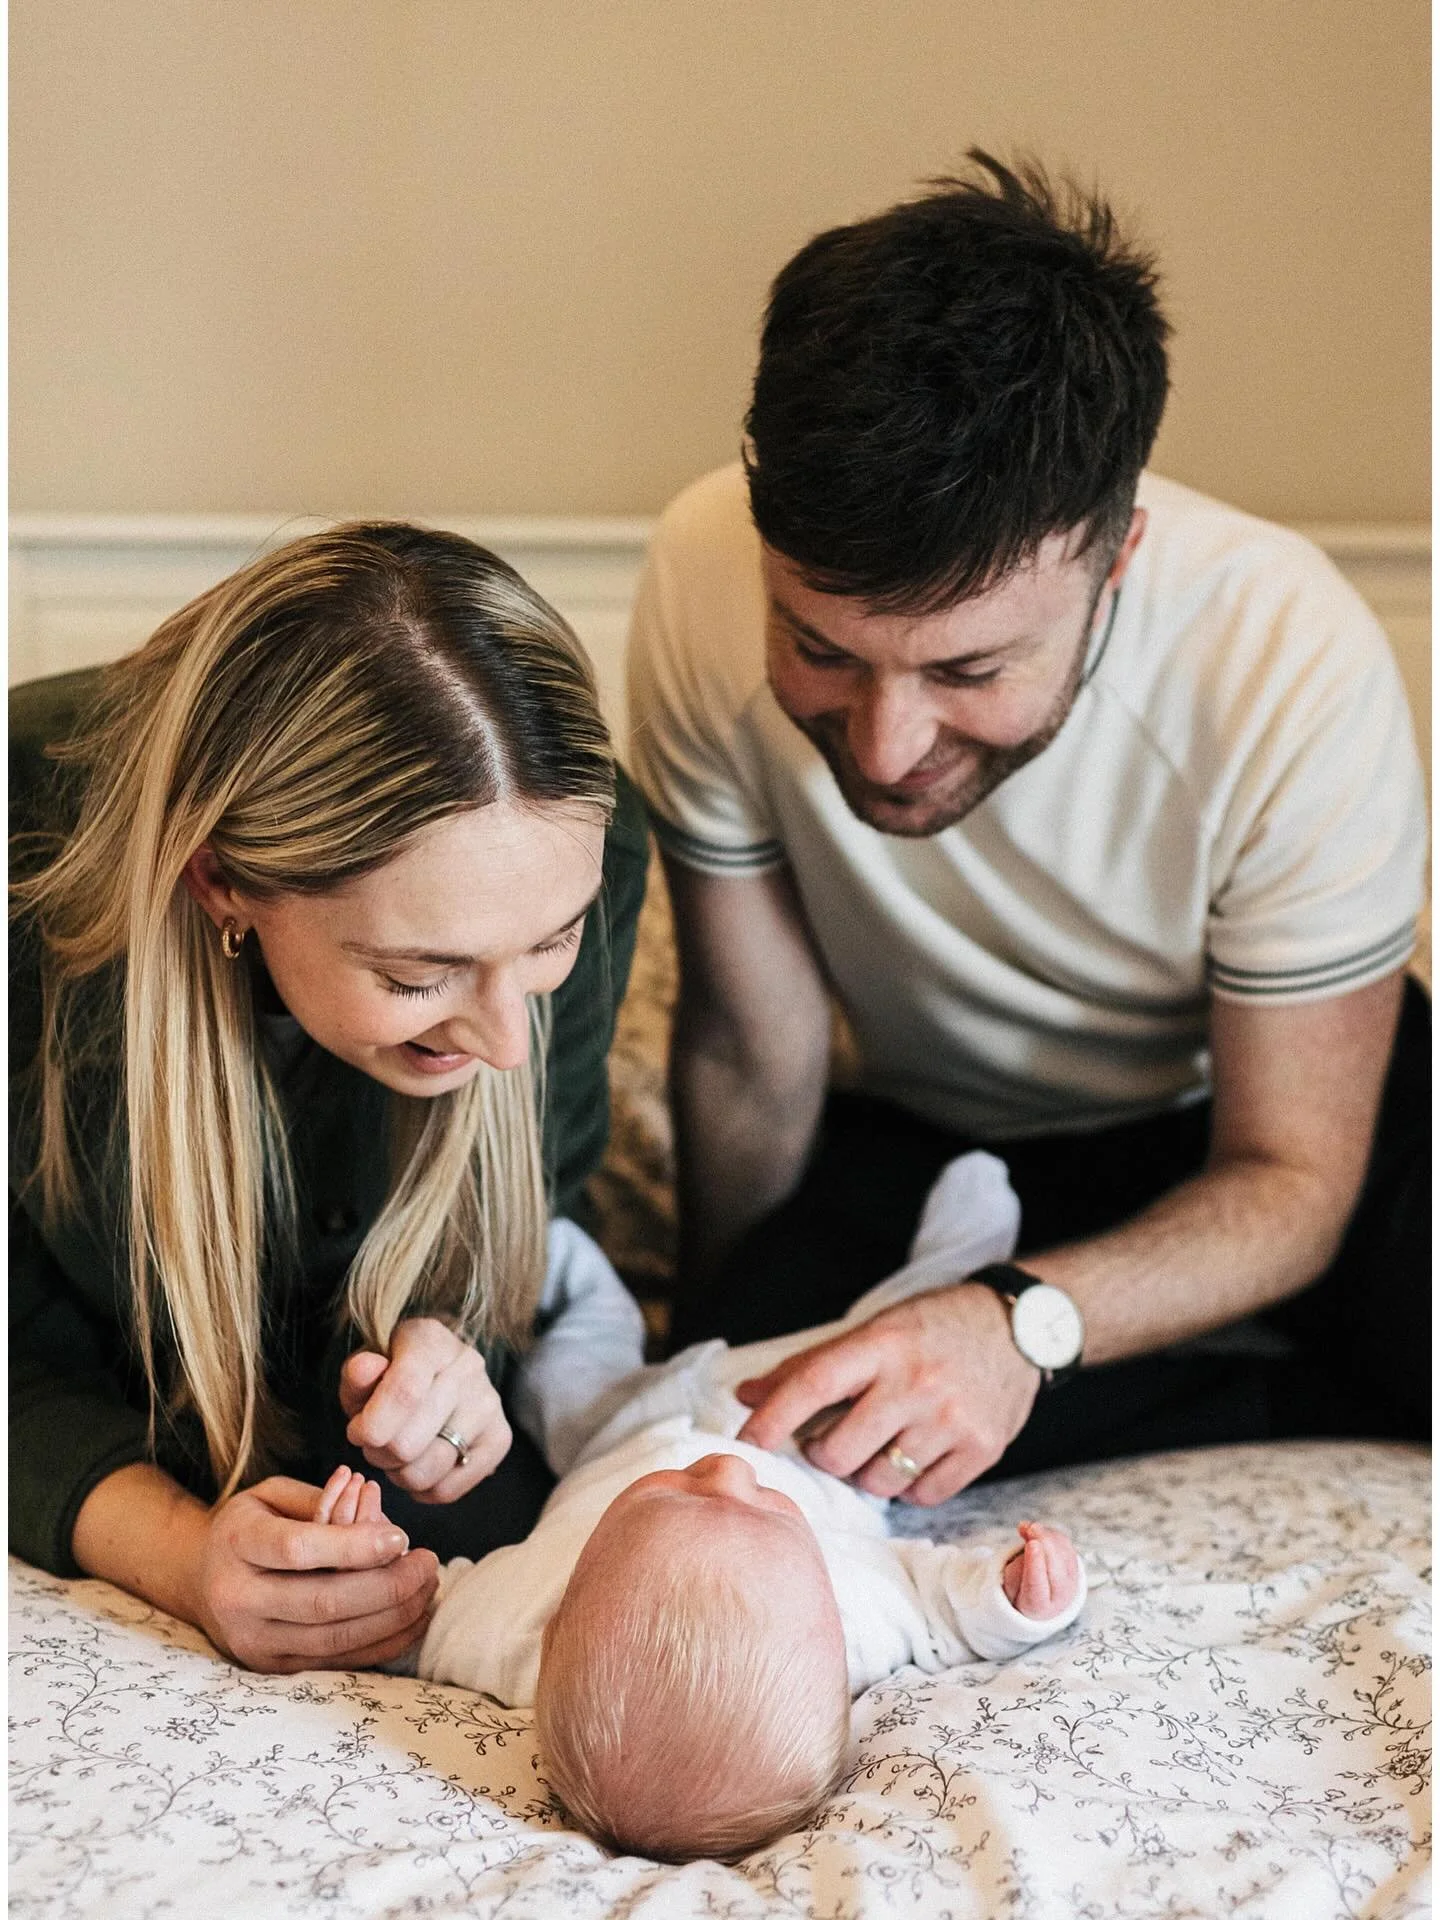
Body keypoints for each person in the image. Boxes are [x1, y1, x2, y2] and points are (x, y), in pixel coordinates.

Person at [625, 151, 1429, 1507]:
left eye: (968, 673)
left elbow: (1290, 1174)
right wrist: (699, 1341)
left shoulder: (1286, 653)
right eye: (823, 649)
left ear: (1115, 554)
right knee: (759, 1436)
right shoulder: (701, 569)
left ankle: (1239, 1361)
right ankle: (1225, 1370)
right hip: (928, 1125)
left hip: (1234, 1113)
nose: (884, 750)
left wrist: (1021, 1324)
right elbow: (747, 1048)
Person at [9, 521, 649, 1675]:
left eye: (549, 945)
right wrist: (177, 1549)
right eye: (419, 976)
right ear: (223, 880)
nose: (510, 1042)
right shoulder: (20, 848)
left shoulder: (591, 835)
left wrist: (457, 1358)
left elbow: (538, 1211)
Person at [325, 1152, 1086, 1862]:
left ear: (563, 1623)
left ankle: (554, 1256)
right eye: (768, 1514)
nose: (721, 1471)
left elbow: (415, 1618)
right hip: (801, 1431)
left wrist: (362, 1560)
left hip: (612, 1433)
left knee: (569, 1359)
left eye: (667, 1500)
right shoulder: (856, 1618)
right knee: (886, 1334)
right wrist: (1023, 1599)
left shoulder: (514, 1635)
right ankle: (968, 1261)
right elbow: (946, 1611)